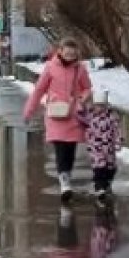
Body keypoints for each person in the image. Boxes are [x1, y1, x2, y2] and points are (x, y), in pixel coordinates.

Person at [23, 38, 93, 203]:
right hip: (55, 115)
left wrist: (84, 97)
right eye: (67, 53)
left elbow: (87, 88)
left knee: (70, 150)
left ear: (76, 53)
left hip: (73, 114)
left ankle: (66, 176)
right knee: (61, 149)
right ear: (60, 51)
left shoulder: (80, 69)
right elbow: (39, 90)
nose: (70, 56)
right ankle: (65, 184)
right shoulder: (50, 67)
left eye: (72, 53)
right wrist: (29, 110)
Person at [78, 92, 123, 206]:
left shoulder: (112, 118)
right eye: (97, 105)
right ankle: (99, 188)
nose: (99, 108)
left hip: (109, 147)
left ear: (106, 106)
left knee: (110, 168)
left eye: (102, 106)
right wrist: (82, 103)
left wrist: (118, 142)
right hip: (96, 148)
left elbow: (117, 131)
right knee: (99, 168)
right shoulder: (91, 116)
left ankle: (107, 183)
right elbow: (79, 115)